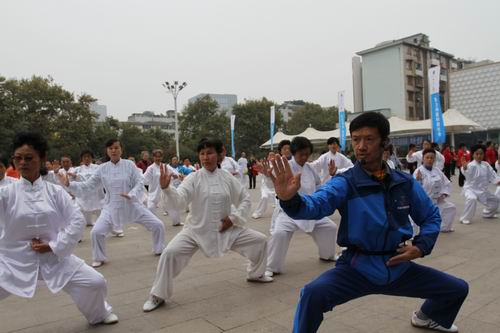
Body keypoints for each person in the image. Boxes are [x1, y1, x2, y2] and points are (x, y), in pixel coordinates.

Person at [271, 112, 468, 333]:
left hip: (397, 264)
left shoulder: (404, 183)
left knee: (458, 289)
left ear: (384, 142)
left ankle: (427, 316)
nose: (361, 146)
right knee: (312, 294)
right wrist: (290, 199)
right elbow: (316, 204)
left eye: (369, 139)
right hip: (356, 267)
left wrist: (422, 246)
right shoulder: (345, 182)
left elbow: (431, 216)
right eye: (356, 139)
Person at [0, 133, 118, 325]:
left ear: (42, 160)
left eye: (28, 158)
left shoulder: (54, 192)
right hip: (14, 260)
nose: (22, 162)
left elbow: (77, 220)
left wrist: (54, 245)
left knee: (95, 282)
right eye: (18, 158)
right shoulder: (6, 193)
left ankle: (99, 314)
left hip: (54, 257)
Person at [143, 138, 272, 312]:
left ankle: (256, 274)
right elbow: (180, 202)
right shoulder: (193, 178)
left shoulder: (227, 178)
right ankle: (158, 295)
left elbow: (245, 200)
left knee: (260, 240)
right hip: (196, 230)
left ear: (219, 155)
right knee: (170, 253)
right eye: (202, 153)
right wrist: (167, 189)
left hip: (226, 228)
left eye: (210, 152)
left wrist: (233, 219)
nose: (205, 157)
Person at [58, 139, 166, 268]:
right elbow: (88, 186)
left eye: (116, 148)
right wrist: (70, 184)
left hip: (131, 204)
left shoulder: (129, 165)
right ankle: (99, 257)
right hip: (111, 206)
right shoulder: (102, 168)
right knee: (96, 232)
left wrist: (131, 194)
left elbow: (139, 182)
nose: (113, 150)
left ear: (121, 150)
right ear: (107, 151)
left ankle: (159, 249)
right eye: (110, 148)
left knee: (158, 225)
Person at [265, 137, 338, 277]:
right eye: (301, 154)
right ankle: (271, 266)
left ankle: (327, 255)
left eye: (307, 154)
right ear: (294, 153)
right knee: (279, 233)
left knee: (329, 227)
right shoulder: (285, 166)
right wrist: (267, 175)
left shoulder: (309, 168)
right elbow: (273, 184)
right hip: (288, 212)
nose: (305, 157)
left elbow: (318, 185)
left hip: (309, 209)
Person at [414, 149, 457, 232]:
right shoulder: (418, 171)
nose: (429, 160)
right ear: (423, 159)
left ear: (434, 159)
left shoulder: (437, 171)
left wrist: (443, 194)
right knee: (417, 218)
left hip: (437, 201)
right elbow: (414, 189)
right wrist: (418, 181)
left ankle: (444, 227)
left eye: (432, 158)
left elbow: (446, 183)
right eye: (427, 157)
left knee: (451, 207)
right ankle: (415, 232)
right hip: (424, 202)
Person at [459, 144, 500, 225]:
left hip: (483, 190)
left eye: (481, 154)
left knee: (496, 200)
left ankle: (487, 214)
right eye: (477, 154)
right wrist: (465, 168)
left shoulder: (486, 164)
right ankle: (464, 218)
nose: (479, 156)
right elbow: (468, 174)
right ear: (473, 155)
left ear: (484, 154)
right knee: (472, 199)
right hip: (471, 189)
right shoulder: (471, 165)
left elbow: (492, 174)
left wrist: (497, 181)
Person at [143, 149, 182, 226]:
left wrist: (176, 175)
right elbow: (144, 179)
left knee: (172, 205)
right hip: (155, 191)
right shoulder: (150, 168)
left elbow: (175, 173)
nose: (158, 158)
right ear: (153, 157)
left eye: (159, 156)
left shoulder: (165, 166)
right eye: (156, 157)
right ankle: (152, 223)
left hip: (166, 189)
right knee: (150, 207)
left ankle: (176, 221)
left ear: (162, 157)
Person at [73, 150, 105, 227]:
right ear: (82, 159)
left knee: (102, 214)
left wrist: (79, 176)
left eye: (88, 157)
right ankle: (86, 224)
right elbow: (72, 181)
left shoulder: (97, 168)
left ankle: (116, 230)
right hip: (83, 196)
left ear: (92, 158)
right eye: (84, 157)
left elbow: (95, 178)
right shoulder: (78, 169)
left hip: (96, 195)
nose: (86, 158)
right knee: (80, 214)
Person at [251, 151, 276, 219]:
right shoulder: (264, 164)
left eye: (273, 155)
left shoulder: (278, 164)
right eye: (270, 155)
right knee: (264, 197)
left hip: (275, 186)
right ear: (268, 157)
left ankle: (281, 214)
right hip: (265, 186)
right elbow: (265, 174)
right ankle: (258, 212)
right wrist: (264, 170)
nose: (271, 157)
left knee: (279, 201)